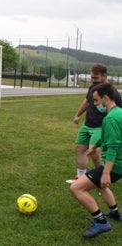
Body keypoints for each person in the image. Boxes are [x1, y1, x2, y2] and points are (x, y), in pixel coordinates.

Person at [70, 83, 122, 238]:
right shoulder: (119, 112)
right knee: (99, 185)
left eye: (96, 100)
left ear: (106, 98)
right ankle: (114, 214)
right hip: (119, 165)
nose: (94, 104)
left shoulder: (110, 119)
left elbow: (113, 147)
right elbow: (111, 137)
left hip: (115, 165)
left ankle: (101, 222)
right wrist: (95, 147)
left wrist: (106, 173)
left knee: (76, 188)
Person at [66, 63, 122, 184]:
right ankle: (80, 178)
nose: (93, 80)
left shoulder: (112, 92)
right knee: (79, 148)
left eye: (95, 78)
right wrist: (77, 115)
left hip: (100, 127)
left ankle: (100, 180)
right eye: (92, 77)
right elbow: (86, 102)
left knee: (95, 153)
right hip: (87, 124)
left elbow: (118, 112)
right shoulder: (93, 88)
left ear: (104, 76)